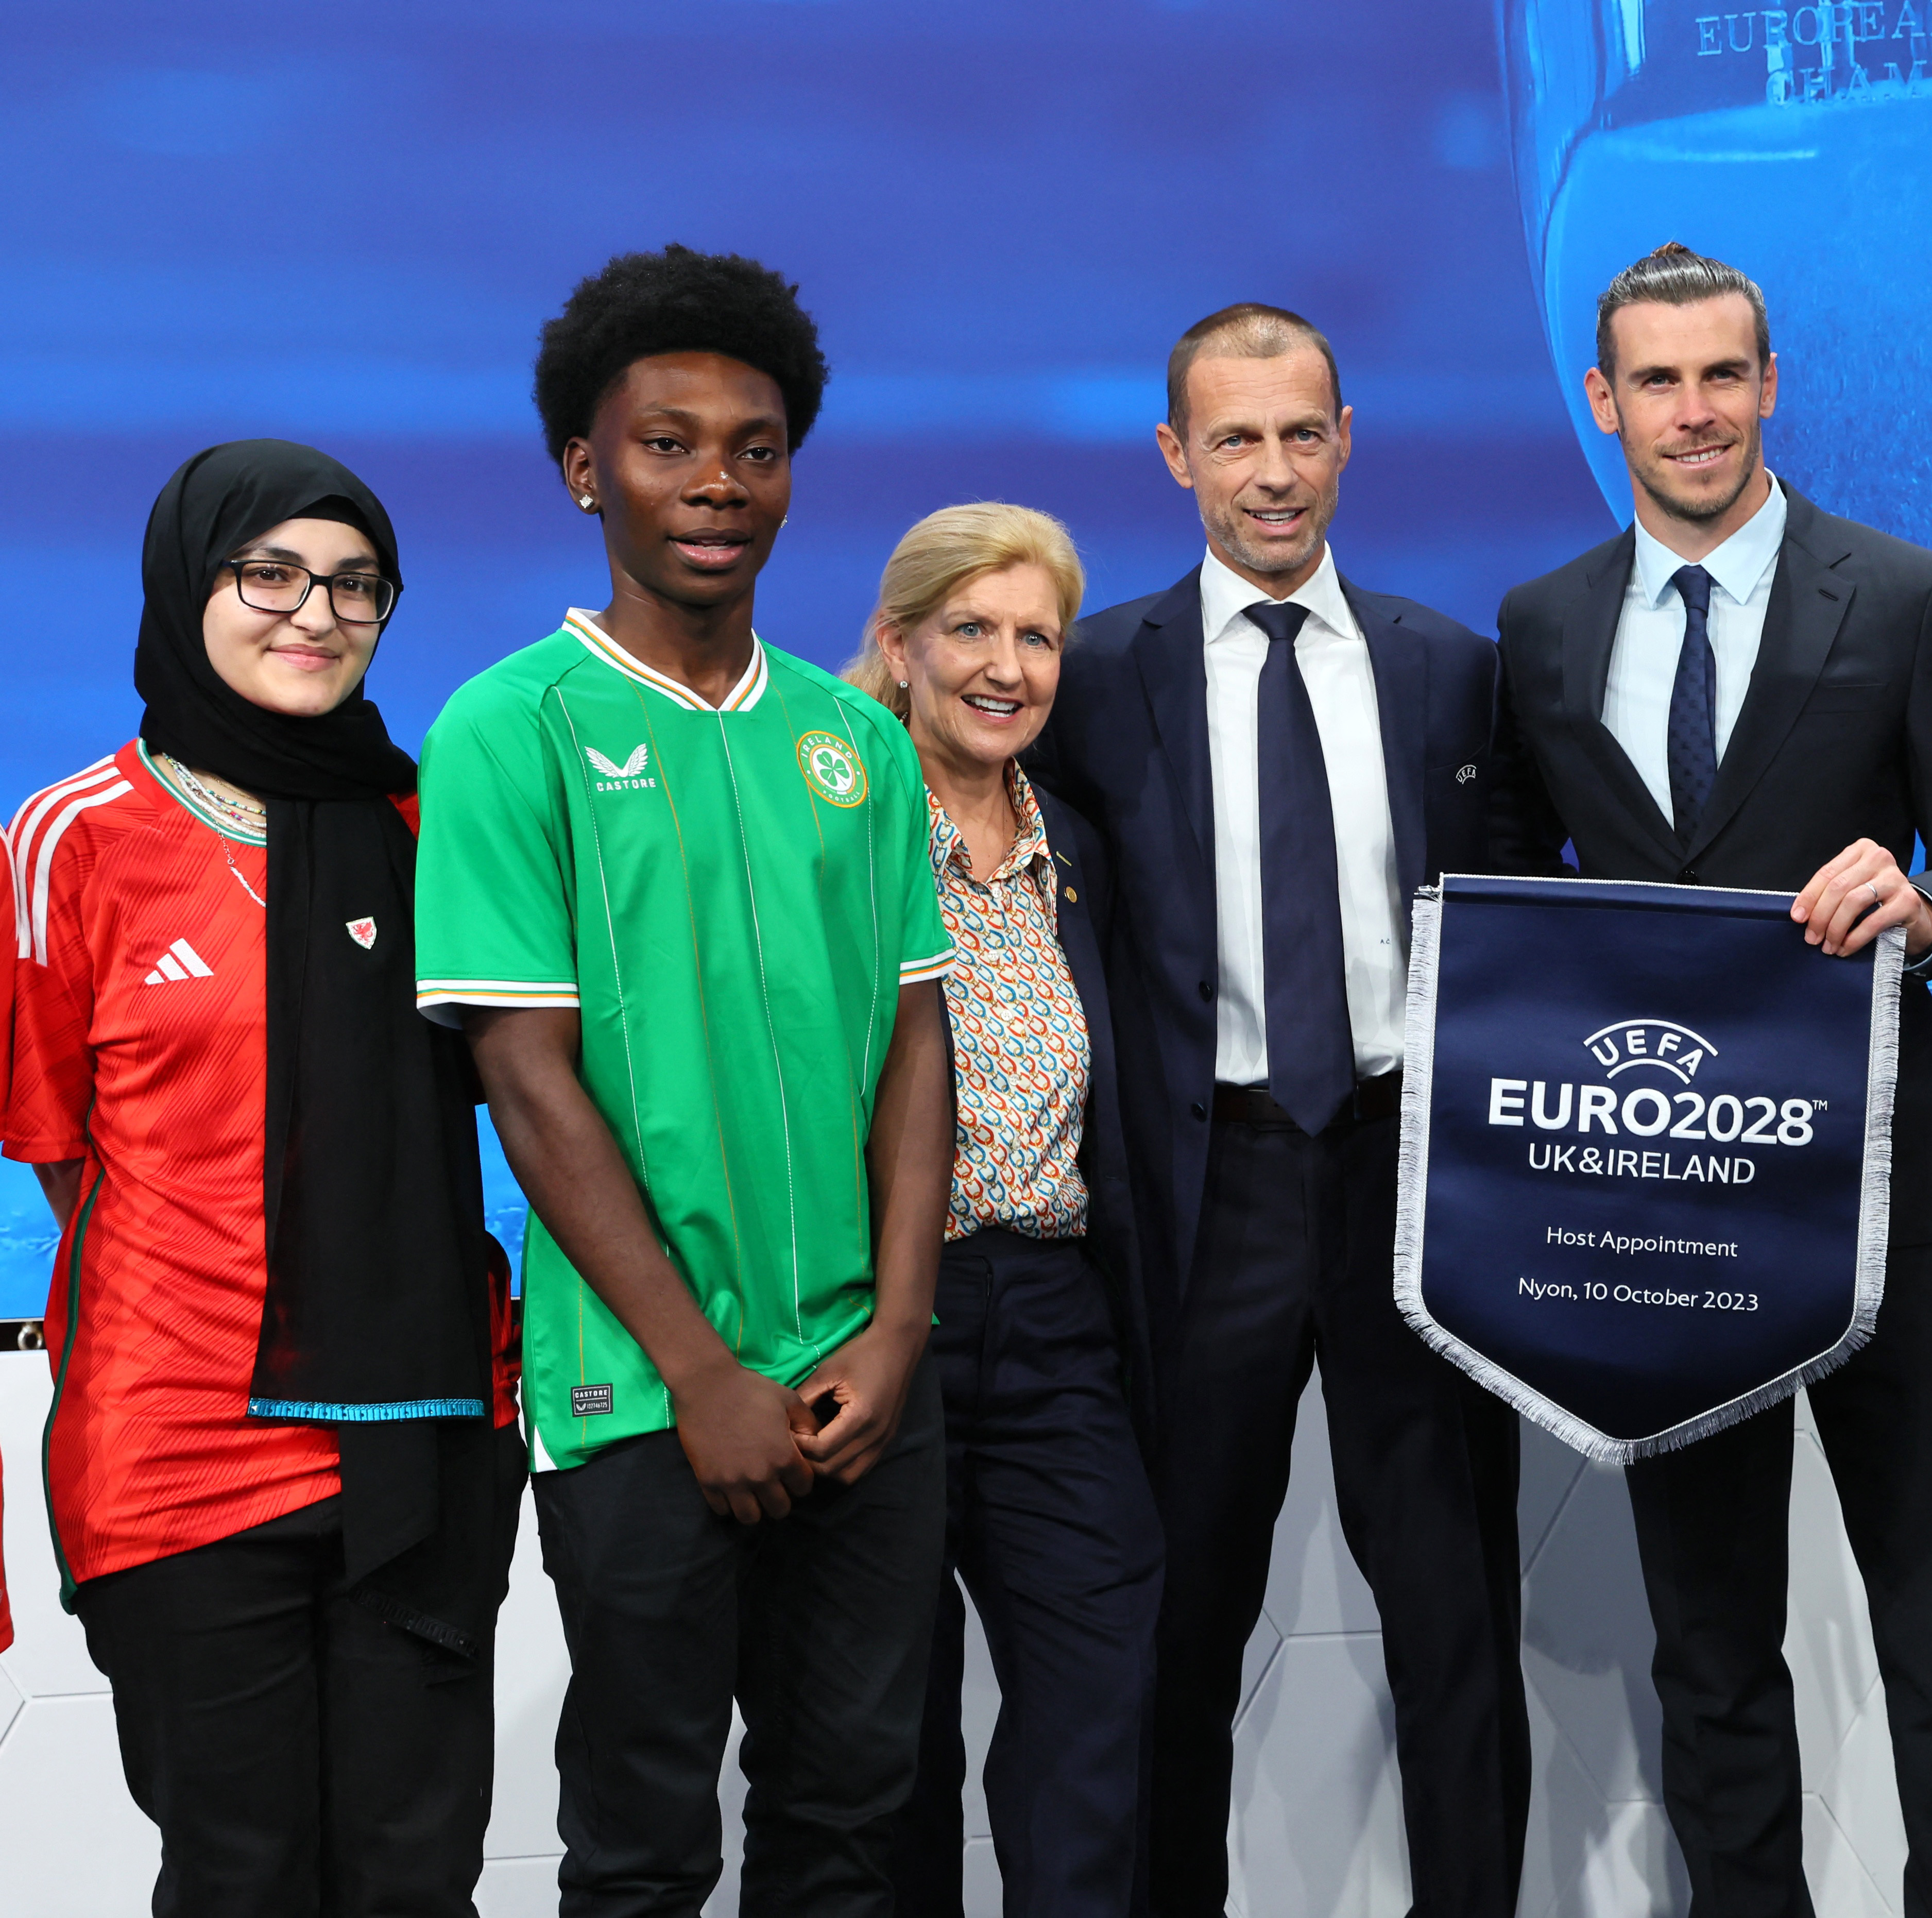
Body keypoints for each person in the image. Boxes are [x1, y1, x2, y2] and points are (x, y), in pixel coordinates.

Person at [1486, 242, 1932, 1917]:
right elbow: (1523, 916)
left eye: (1720, 374)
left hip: (1883, 1195)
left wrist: (1924, 903)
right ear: (1602, 401)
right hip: (1661, 1222)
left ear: (1768, 383)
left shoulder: (1904, 593)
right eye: (1654, 381)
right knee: (1709, 1646)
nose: (1692, 412)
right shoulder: (1540, 628)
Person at [413, 246, 959, 1917]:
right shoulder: (512, 727)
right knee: (646, 1847)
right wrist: (701, 1371)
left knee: (849, 1829)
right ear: (586, 468)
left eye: (756, 444)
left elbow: (913, 1045)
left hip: (860, 1390)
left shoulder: (852, 742)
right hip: (644, 1398)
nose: (717, 481)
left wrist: (896, 1331)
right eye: (667, 443)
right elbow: (524, 1067)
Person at [1030, 303, 1529, 1918]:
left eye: (1300, 431)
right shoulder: (1094, 676)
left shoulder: (1453, 670)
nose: (1271, 471)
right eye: (1233, 438)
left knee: (1456, 1614)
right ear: (1175, 455)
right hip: (1201, 1190)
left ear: (1345, 438)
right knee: (1178, 1624)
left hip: (1409, 1178)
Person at [5, 439, 523, 1915]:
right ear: (190, 582)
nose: (318, 612)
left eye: (358, 585)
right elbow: (63, 1154)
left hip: (421, 1432)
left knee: (415, 1880)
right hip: (180, 1452)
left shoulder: (440, 832)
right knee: (243, 1877)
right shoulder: (71, 838)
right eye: (272, 574)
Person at [841, 505, 1163, 1918]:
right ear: (898, 644)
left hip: (1049, 1323)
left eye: (1035, 635)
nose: (1006, 663)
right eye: (970, 627)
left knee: (1096, 1705)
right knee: (885, 1735)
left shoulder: (1072, 846)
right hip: (869, 1318)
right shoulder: (828, 829)